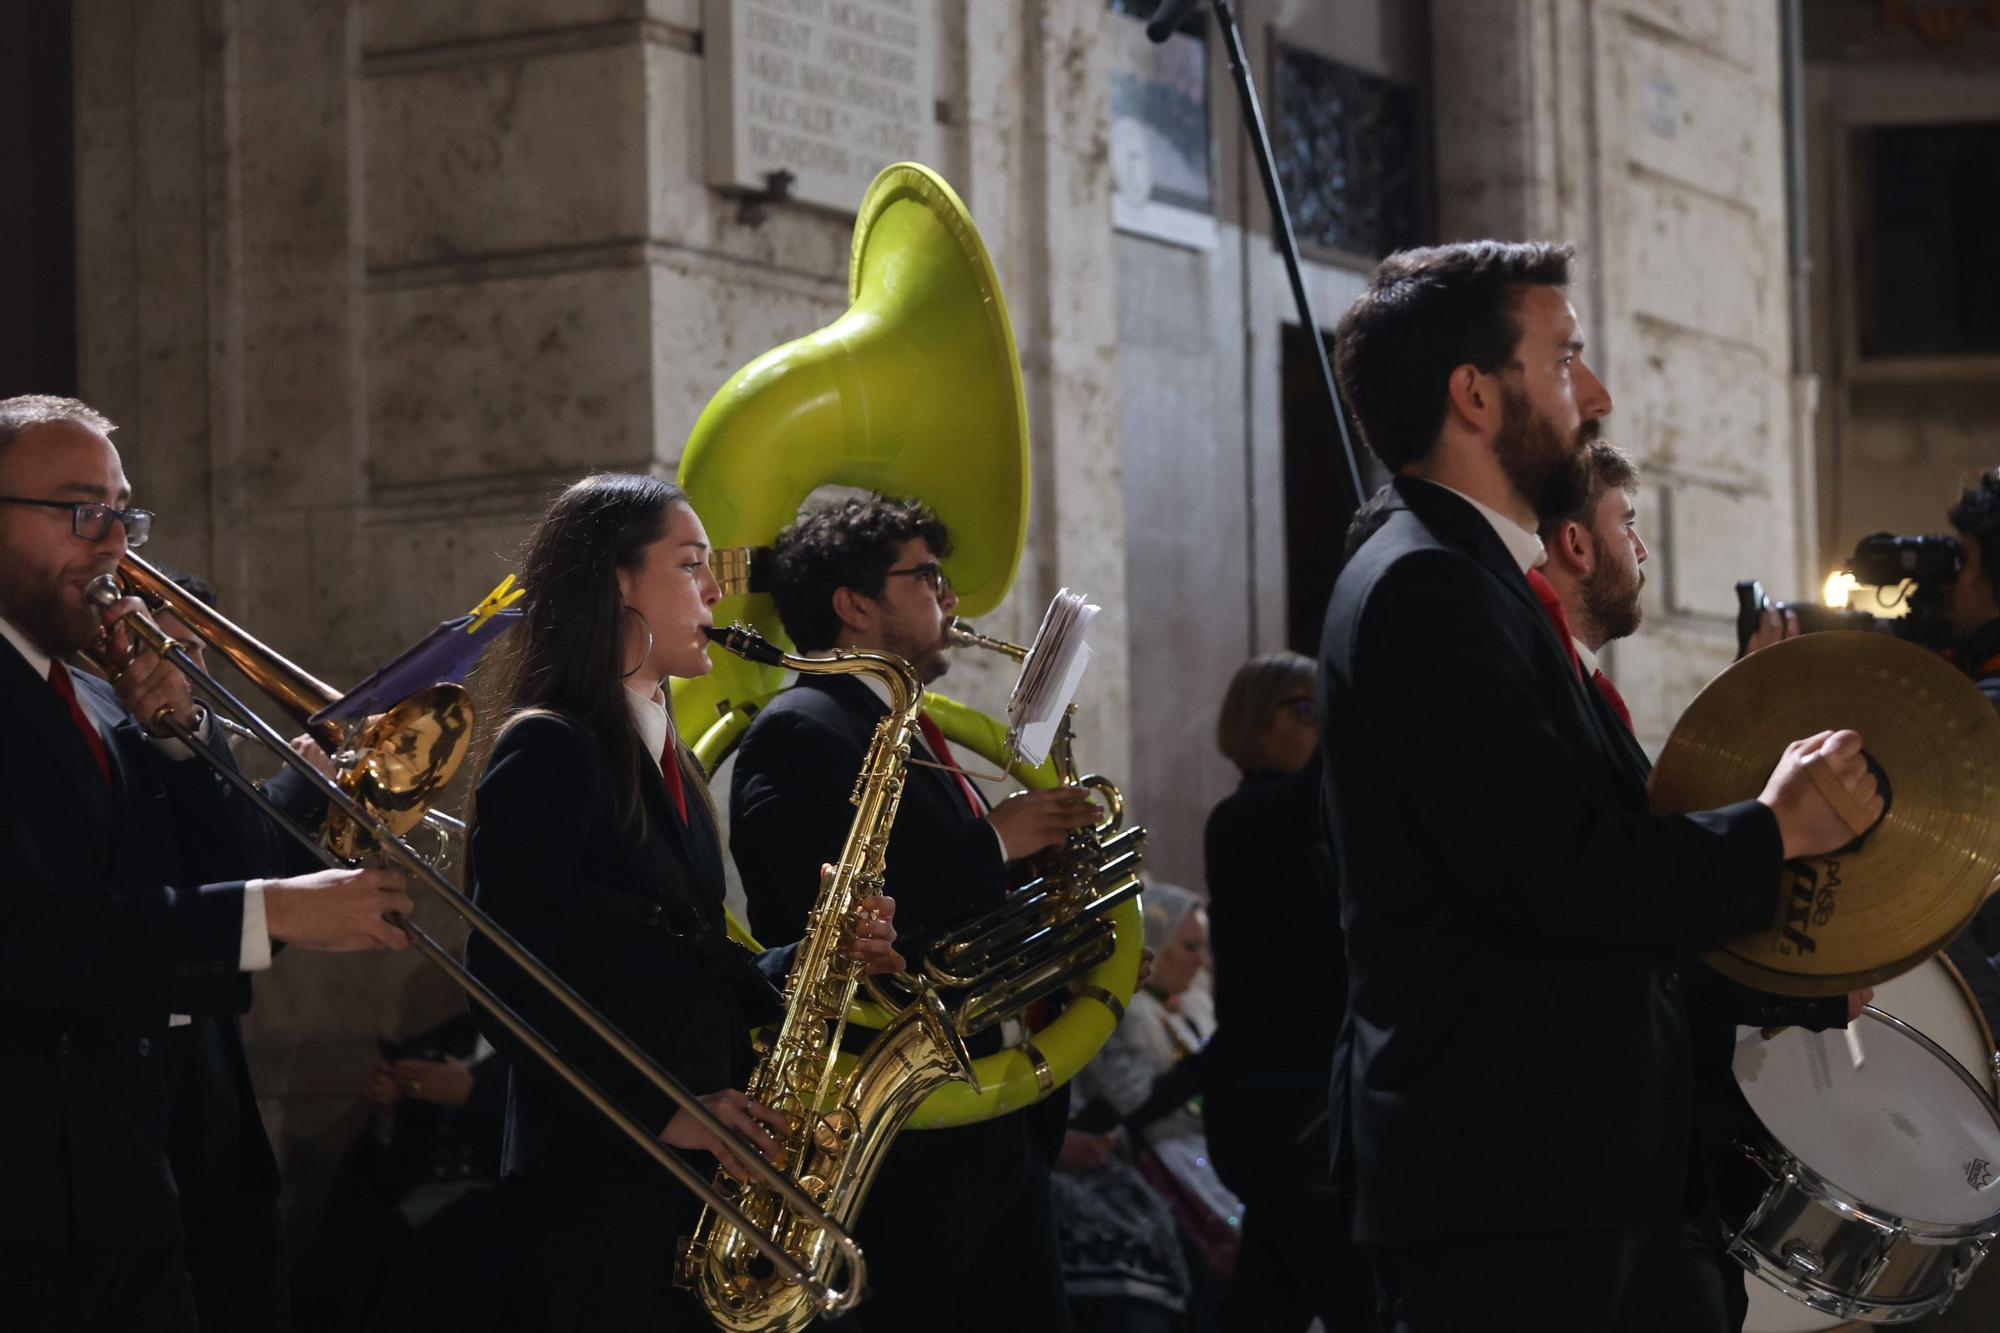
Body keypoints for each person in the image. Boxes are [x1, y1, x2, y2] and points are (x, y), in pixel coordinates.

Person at [1320, 243, 1883, 1332]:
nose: (1596, 393)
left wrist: (1789, 979)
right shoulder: (1421, 586)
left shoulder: (1471, 576)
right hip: (1508, 1187)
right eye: (1565, 357)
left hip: (1574, 1172)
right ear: (1474, 393)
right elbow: (1554, 873)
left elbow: (1598, 887)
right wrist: (1773, 827)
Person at [0, 393, 416, 1331]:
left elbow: (243, 857)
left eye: (122, 513)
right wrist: (272, 910)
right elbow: (29, 935)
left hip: (188, 1165)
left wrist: (187, 738)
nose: (114, 547)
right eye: (80, 511)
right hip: (48, 1204)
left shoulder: (108, 699)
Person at [462, 472, 902, 1330]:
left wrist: (816, 957)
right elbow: (501, 975)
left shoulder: (663, 752)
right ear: (616, 581)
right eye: (690, 564)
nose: (712, 591)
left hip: (683, 1171)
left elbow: (683, 955)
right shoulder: (551, 747)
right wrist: (663, 1108)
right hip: (604, 1179)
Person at [731, 492, 1099, 1333]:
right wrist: (992, 843)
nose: (952, 598)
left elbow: (959, 906)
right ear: (854, 604)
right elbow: (813, 923)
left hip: (994, 1117)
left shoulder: (911, 727)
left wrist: (1064, 932)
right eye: (927, 576)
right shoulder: (801, 726)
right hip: (908, 1135)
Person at [1537, 439, 1864, 1330]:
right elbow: (1625, 915)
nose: (1641, 548)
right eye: (1627, 522)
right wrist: (1805, 986)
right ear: (1574, 542)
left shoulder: (1583, 691)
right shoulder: (1546, 696)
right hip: (1600, 1169)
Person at [1200, 654, 1371, 1332]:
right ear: (1255, 721)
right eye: (1306, 708)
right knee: (1354, 1295)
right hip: (1280, 1101)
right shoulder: (1243, 818)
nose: (1321, 725)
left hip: (1294, 1096)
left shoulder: (1308, 819)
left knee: (1268, 1298)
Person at [1055, 884, 1232, 1333]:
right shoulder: (1124, 1011)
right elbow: (1125, 1103)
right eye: (1188, 946)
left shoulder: (1194, 1003)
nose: (1199, 960)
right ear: (1153, 939)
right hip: (1149, 1152)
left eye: (1203, 948)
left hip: (1196, 1147)